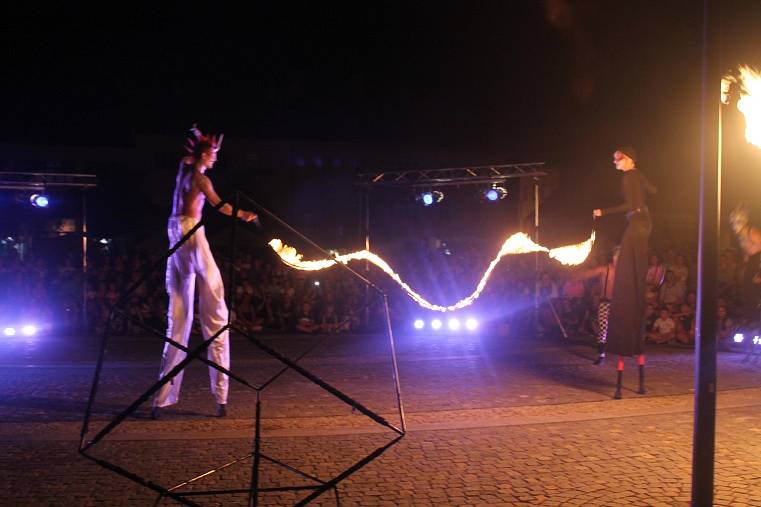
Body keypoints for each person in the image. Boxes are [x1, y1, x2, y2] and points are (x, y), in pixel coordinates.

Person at [152, 125, 259, 419]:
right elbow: (220, 206)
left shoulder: (183, 169)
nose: (215, 159)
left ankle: (162, 399)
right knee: (214, 304)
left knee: (179, 316)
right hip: (189, 232)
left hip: (173, 231)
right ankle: (220, 395)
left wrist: (198, 135)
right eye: (213, 154)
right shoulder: (200, 178)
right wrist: (245, 215)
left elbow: (190, 156)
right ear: (203, 154)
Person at [593, 146, 657, 399]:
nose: (615, 162)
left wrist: (604, 212)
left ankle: (630, 286)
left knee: (628, 265)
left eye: (618, 158)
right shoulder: (637, 175)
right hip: (645, 223)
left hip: (637, 222)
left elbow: (630, 203)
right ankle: (640, 385)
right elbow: (653, 190)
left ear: (629, 159)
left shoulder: (628, 176)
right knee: (633, 261)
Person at [571, 246, 619, 364]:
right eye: (617, 256)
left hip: (618, 305)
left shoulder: (624, 272)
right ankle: (601, 355)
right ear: (613, 257)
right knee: (602, 329)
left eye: (620, 256)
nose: (618, 258)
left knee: (618, 329)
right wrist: (579, 274)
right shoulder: (605, 269)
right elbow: (590, 273)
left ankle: (618, 350)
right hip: (605, 302)